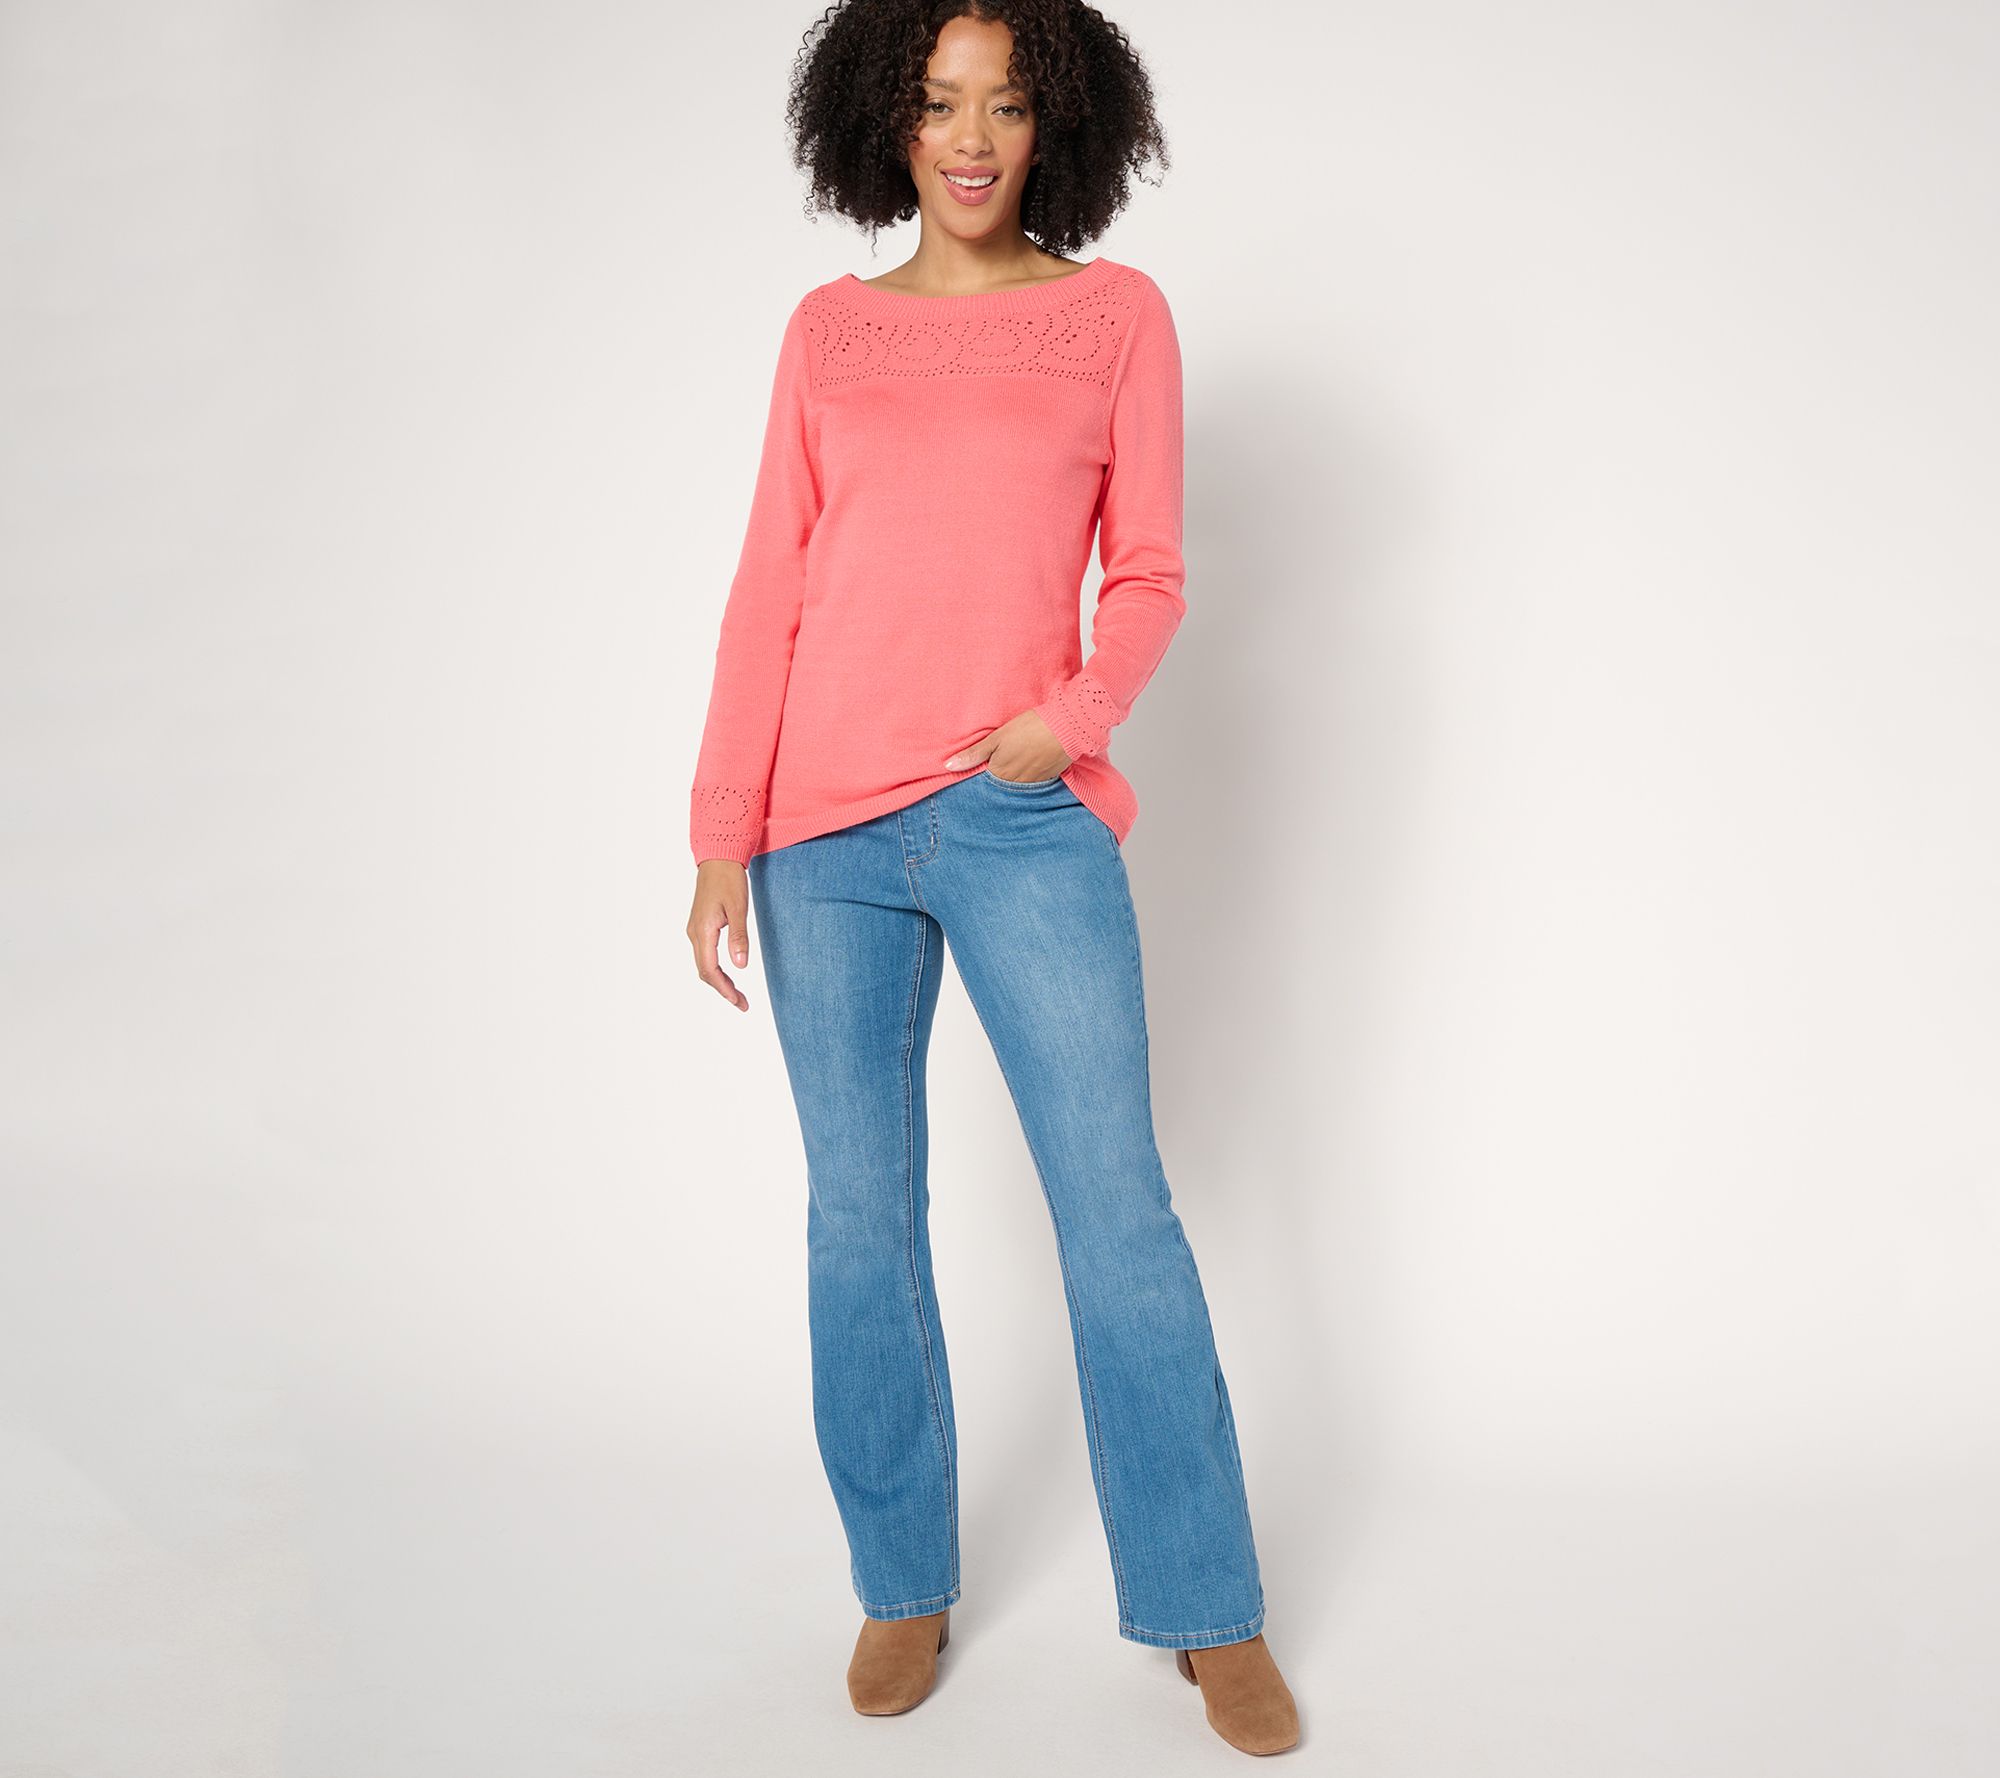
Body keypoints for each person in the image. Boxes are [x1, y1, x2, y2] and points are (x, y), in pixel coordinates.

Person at [684, 1, 1299, 1755]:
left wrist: (1069, 721)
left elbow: (1152, 572)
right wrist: (721, 826)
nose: (971, 139)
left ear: (1057, 127)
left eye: (1007, 106)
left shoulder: (1116, 318)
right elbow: (770, 584)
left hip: (1024, 816)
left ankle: (1207, 1604)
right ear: (885, 119)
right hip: (821, 838)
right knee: (858, 1220)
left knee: (1118, 1216)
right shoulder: (828, 334)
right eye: (940, 102)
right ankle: (901, 1579)